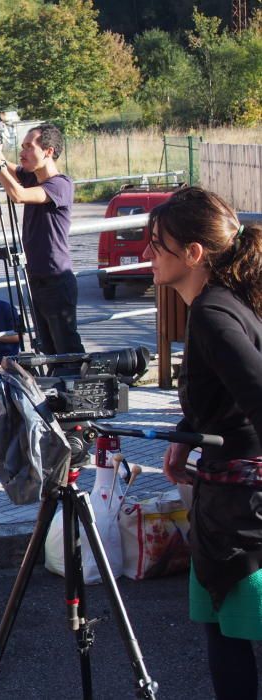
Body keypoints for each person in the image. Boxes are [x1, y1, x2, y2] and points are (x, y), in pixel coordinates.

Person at [142, 187, 262, 700]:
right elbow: (222, 388)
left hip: (242, 511)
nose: (148, 255)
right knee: (224, 625)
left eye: (157, 245)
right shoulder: (221, 303)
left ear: (193, 254)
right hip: (227, 497)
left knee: (232, 630)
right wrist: (184, 436)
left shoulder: (213, 315)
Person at [0, 123, 85, 356]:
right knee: (47, 347)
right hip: (37, 277)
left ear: (48, 151)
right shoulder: (33, 176)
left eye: (29, 147)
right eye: (22, 147)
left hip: (56, 278)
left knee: (66, 347)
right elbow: (14, 169)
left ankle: (78, 389)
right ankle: (57, 389)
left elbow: (18, 195)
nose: (23, 152)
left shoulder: (60, 184)